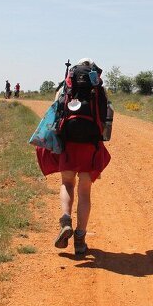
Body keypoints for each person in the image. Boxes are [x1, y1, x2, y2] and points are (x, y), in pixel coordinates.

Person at [36, 58, 111, 256]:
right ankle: (80, 240)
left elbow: (54, 115)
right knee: (85, 192)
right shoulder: (98, 89)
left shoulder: (65, 88)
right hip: (90, 145)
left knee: (67, 183)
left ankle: (66, 220)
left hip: (68, 144)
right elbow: (105, 120)